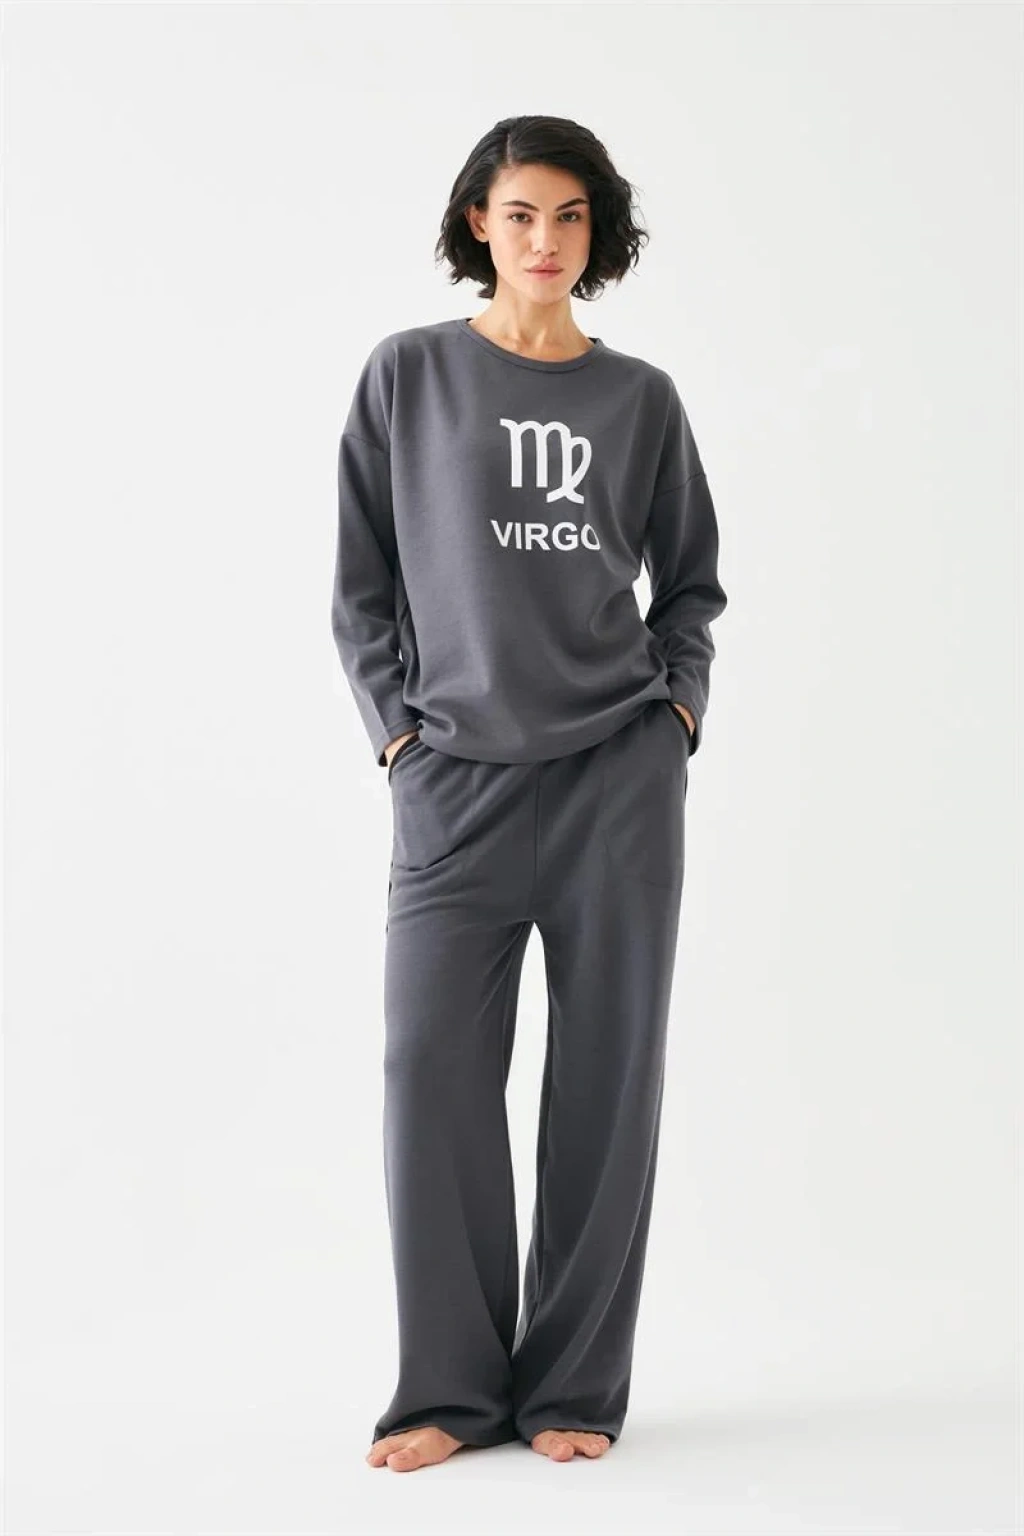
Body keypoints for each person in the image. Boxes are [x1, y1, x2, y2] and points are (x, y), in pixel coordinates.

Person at [331, 115, 728, 1474]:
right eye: (520, 215)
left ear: (596, 234)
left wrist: (676, 713)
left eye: (569, 216)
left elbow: (690, 584)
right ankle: (448, 1389)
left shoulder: (642, 400)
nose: (544, 241)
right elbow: (361, 586)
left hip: (617, 781)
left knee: (607, 1082)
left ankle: (573, 1383)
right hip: (454, 786)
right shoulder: (409, 375)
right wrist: (399, 737)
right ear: (478, 226)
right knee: (431, 1077)